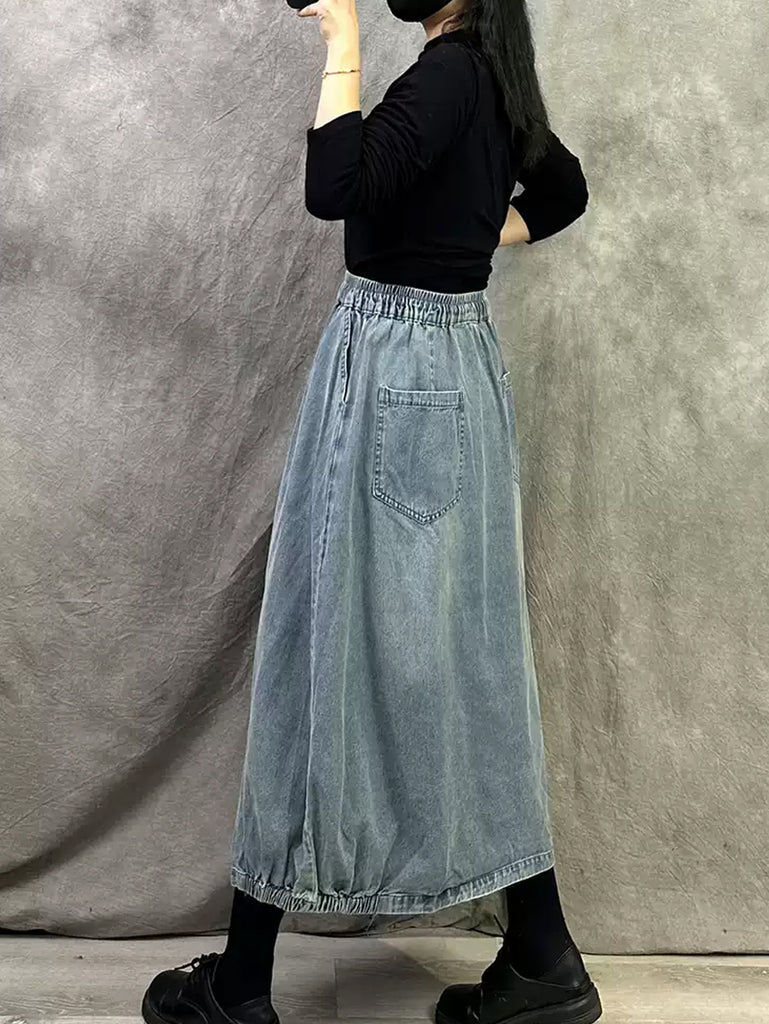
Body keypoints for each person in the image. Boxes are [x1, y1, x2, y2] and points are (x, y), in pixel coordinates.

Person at [141, 1, 601, 1023]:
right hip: (456, 366)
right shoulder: (490, 73)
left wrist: (343, 40)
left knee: (320, 648)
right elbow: (561, 192)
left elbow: (333, 187)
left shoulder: (446, 75)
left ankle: (241, 985)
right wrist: (469, 235)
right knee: (465, 656)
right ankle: (542, 956)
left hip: (392, 368)